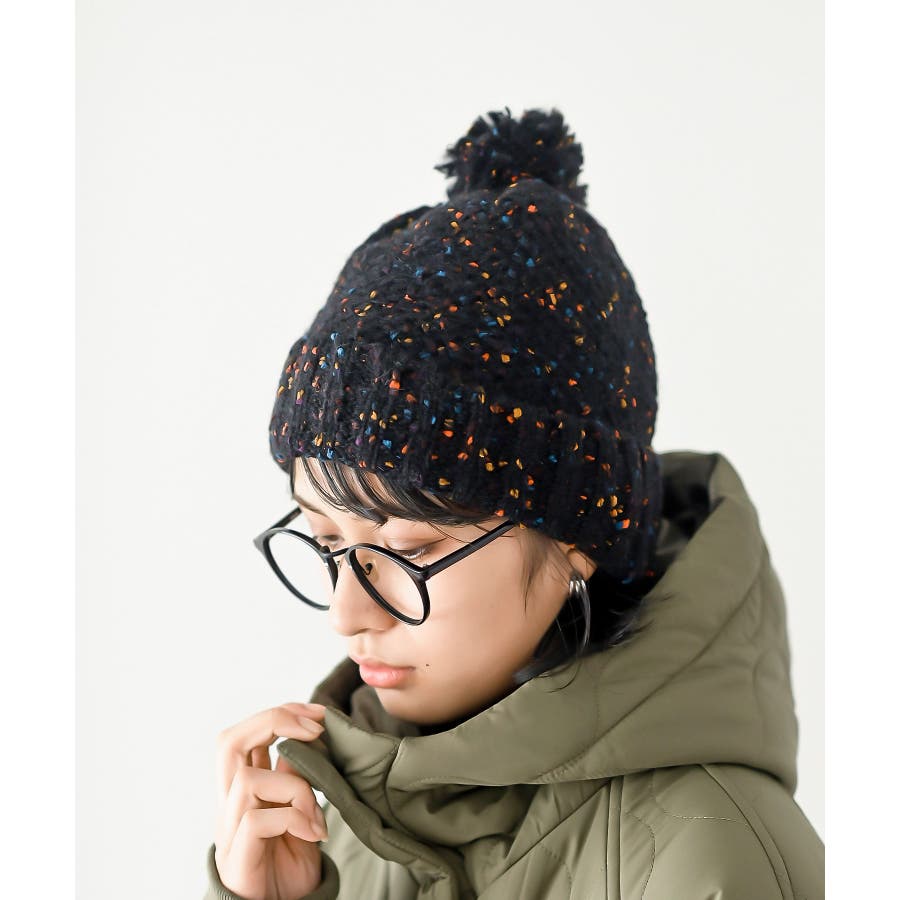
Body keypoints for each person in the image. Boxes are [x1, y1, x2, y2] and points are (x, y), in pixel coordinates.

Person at [204, 106, 824, 899]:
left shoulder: (709, 861)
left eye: (408, 550)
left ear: (575, 537)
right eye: (327, 544)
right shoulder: (345, 828)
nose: (346, 614)